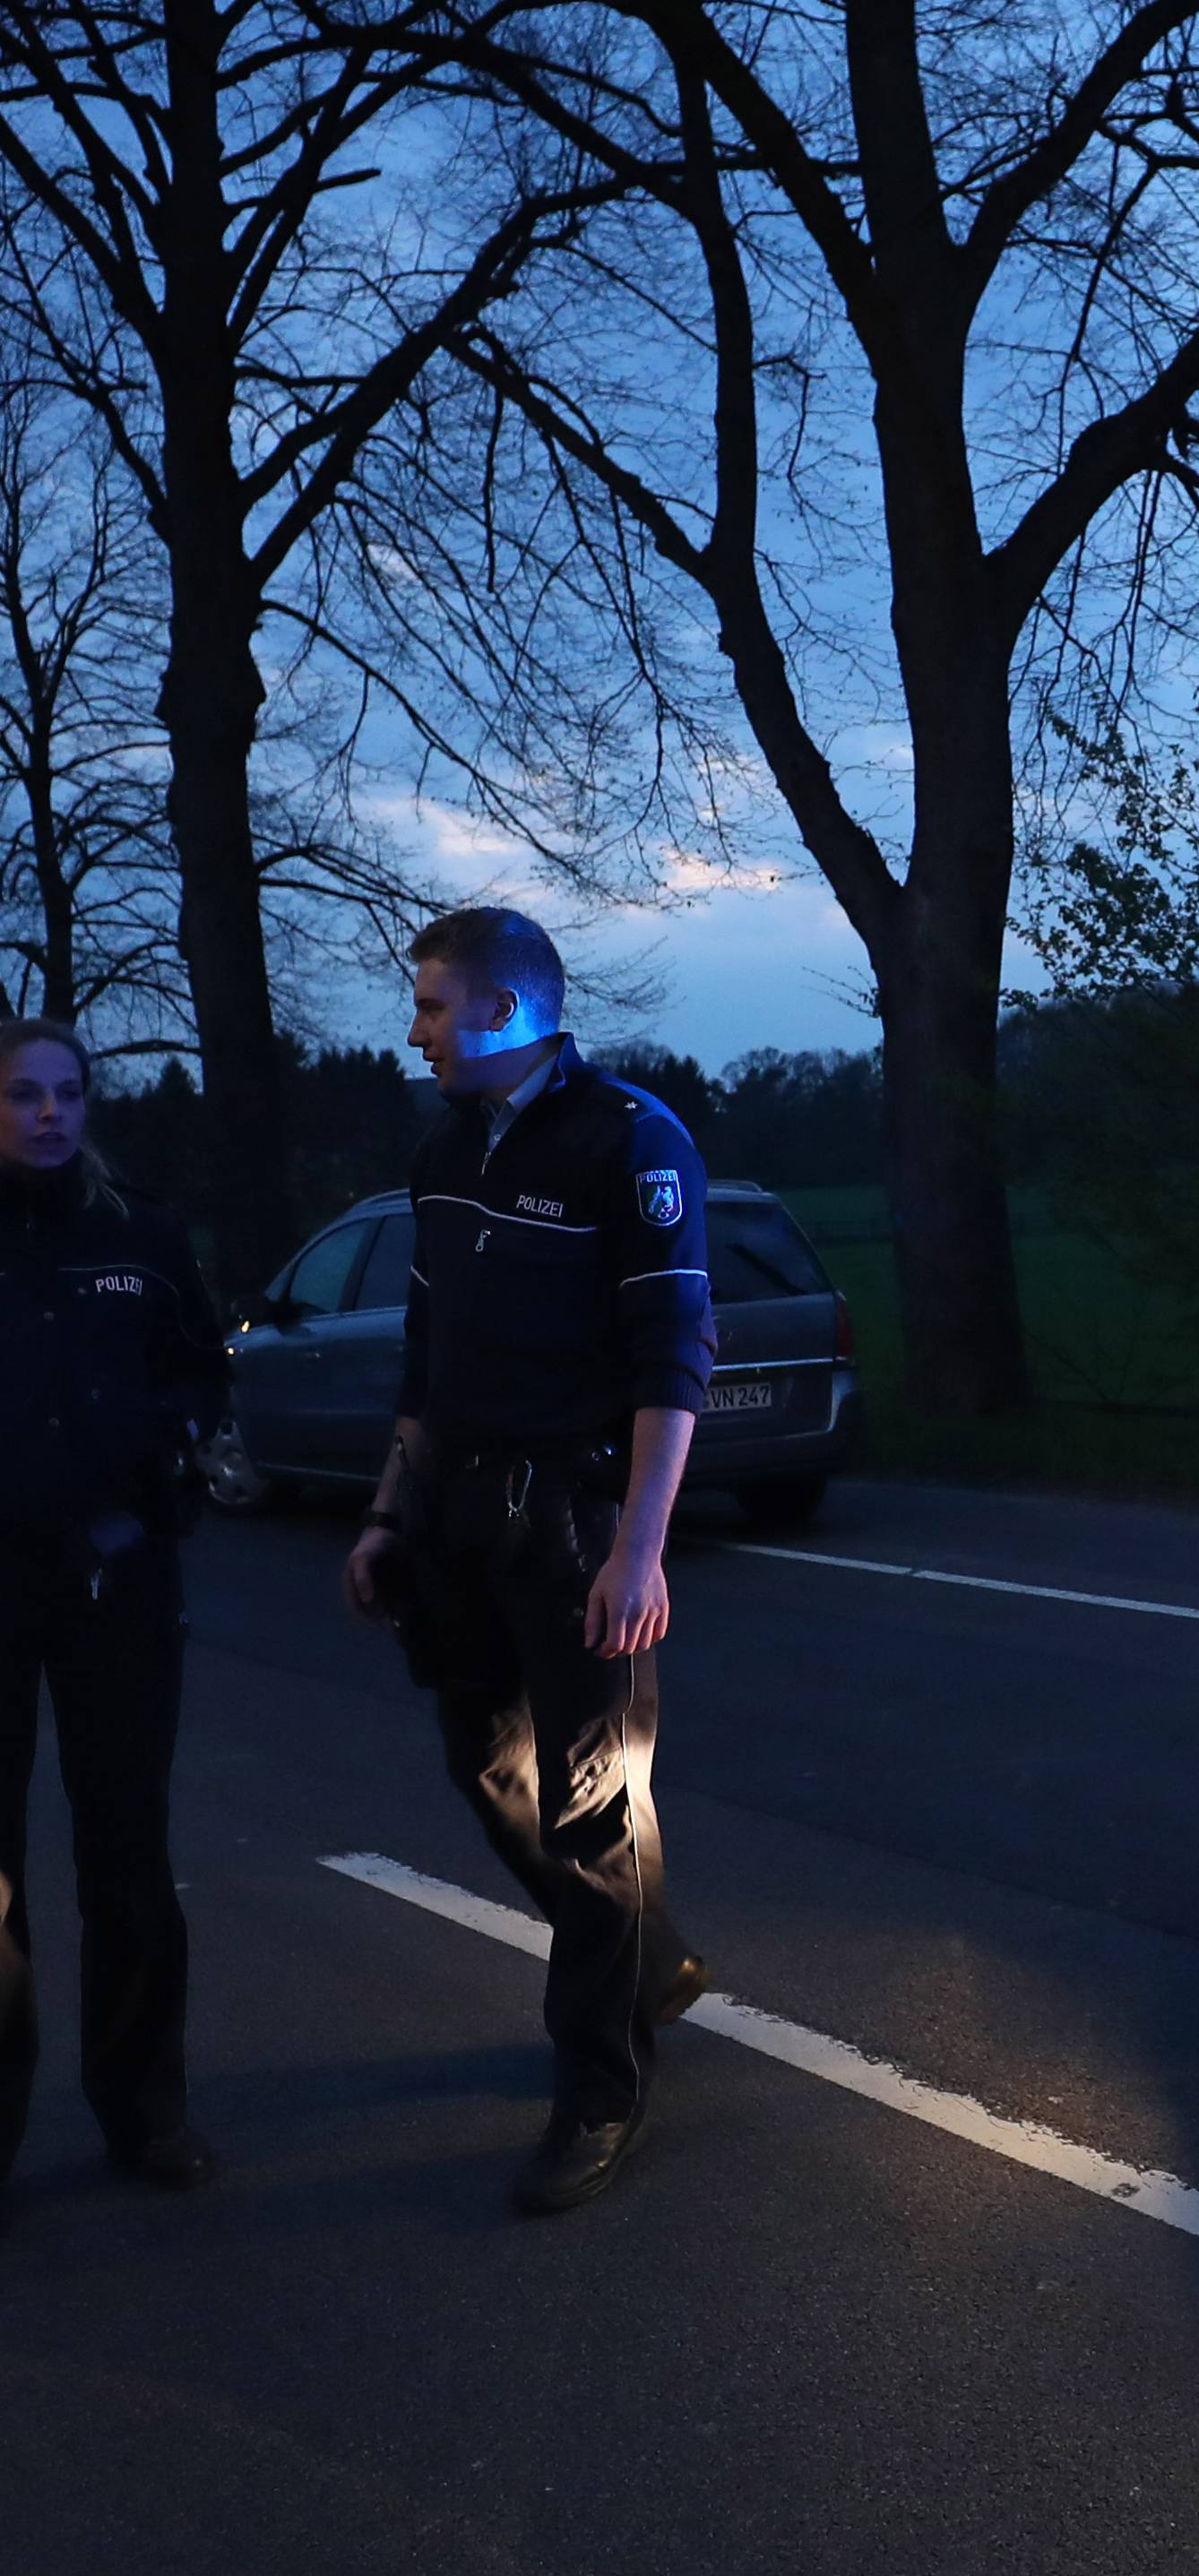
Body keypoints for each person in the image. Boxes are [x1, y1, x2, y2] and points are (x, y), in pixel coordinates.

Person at [346, 907, 717, 2215]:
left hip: (577, 1527)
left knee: (592, 1806)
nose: (416, 1029)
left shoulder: (631, 1142)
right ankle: (649, 1958)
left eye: (435, 1006)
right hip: (457, 1514)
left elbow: (676, 1360)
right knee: (482, 1762)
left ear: (506, 1011)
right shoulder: (444, 1148)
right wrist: (390, 1512)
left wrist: (640, 1550)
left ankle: (599, 2092)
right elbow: (425, 1351)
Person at [0, 1018, 228, 2209]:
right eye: (25, 1094)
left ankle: (147, 2109)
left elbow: (201, 1364)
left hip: (118, 1577)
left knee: (128, 1853)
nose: (49, 1113)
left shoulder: (140, 1234)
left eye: (68, 1093)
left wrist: (168, 1440)